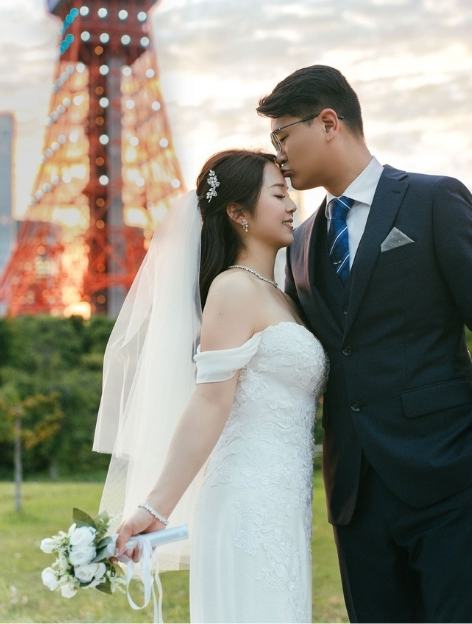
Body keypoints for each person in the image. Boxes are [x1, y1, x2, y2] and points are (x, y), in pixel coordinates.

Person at [258, 65, 472, 622]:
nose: (278, 154)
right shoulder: (303, 240)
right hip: (355, 493)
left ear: (329, 121)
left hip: (452, 472)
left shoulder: (433, 200)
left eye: (283, 135)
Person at [103, 149, 326, 622]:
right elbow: (209, 402)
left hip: (285, 500)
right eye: (279, 194)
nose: (292, 205)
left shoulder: (281, 295)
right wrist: (155, 506)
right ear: (238, 212)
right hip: (247, 501)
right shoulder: (232, 289)